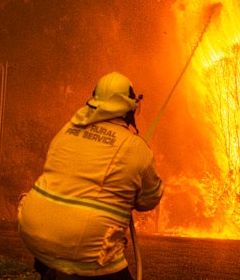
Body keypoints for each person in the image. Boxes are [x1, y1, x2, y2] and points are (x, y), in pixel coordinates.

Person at [18, 72, 163, 280]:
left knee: (54, 263)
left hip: (35, 231)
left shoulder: (67, 130)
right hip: (88, 247)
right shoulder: (136, 148)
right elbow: (149, 199)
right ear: (130, 109)